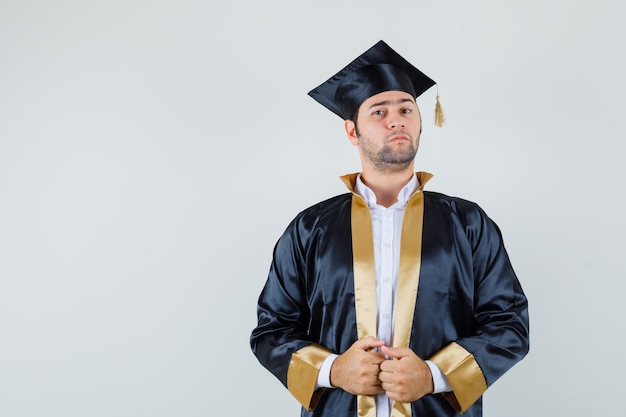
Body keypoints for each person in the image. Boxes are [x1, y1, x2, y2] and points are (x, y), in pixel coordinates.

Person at [250, 40, 529, 417]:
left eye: (406, 109)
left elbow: (509, 325)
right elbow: (271, 330)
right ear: (352, 132)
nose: (396, 120)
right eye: (378, 111)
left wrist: (433, 376)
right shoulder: (310, 229)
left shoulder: (468, 224)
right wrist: (334, 370)